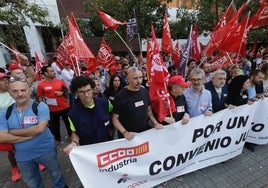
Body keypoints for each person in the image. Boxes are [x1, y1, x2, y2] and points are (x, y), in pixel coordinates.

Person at [0, 77, 67, 188]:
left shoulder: (40, 106)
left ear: (29, 91)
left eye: (23, 90)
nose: (20, 94)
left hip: (46, 150)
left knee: (57, 174)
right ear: (9, 93)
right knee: (32, 183)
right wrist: (27, 136)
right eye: (15, 91)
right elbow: (2, 137)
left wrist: (12, 132)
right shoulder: (4, 113)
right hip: (23, 156)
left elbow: (39, 129)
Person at [64, 76, 113, 154]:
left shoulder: (105, 103)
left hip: (108, 147)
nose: (86, 95)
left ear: (92, 89)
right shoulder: (73, 114)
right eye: (82, 92)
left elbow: (114, 116)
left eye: (88, 90)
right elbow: (74, 132)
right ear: (76, 93)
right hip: (89, 152)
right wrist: (74, 143)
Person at [112, 66, 163, 140]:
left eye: (140, 77)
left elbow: (148, 110)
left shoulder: (144, 91)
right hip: (128, 138)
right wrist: (125, 132)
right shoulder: (120, 96)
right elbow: (115, 119)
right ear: (128, 79)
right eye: (135, 78)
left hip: (144, 134)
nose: (139, 81)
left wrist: (155, 123)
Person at [36, 66, 72, 147]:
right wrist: (43, 109)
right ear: (46, 73)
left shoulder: (60, 81)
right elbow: (40, 97)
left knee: (68, 123)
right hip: (52, 109)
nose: (54, 72)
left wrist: (62, 93)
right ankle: (57, 139)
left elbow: (68, 91)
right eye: (52, 71)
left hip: (65, 107)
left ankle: (71, 136)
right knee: (55, 126)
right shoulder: (41, 85)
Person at [225, 75, 255, 152]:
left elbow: (244, 101)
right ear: (241, 84)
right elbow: (227, 105)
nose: (249, 84)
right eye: (247, 83)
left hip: (241, 119)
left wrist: (249, 102)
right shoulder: (232, 94)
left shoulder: (245, 92)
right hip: (231, 120)